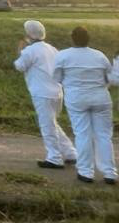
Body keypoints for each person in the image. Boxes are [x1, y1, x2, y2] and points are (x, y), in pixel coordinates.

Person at [53, 26, 117, 183]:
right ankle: (110, 173)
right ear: (89, 39)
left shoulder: (63, 55)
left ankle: (86, 172)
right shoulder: (99, 56)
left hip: (77, 99)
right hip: (101, 98)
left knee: (83, 134)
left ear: (72, 38)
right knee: (103, 135)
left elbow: (56, 78)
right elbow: (109, 78)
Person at [14, 20, 76, 169]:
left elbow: (19, 66)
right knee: (52, 123)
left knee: (47, 125)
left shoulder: (30, 51)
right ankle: (70, 152)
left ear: (29, 34)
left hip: (42, 93)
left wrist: (20, 51)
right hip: (57, 92)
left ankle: (54, 158)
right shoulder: (52, 49)